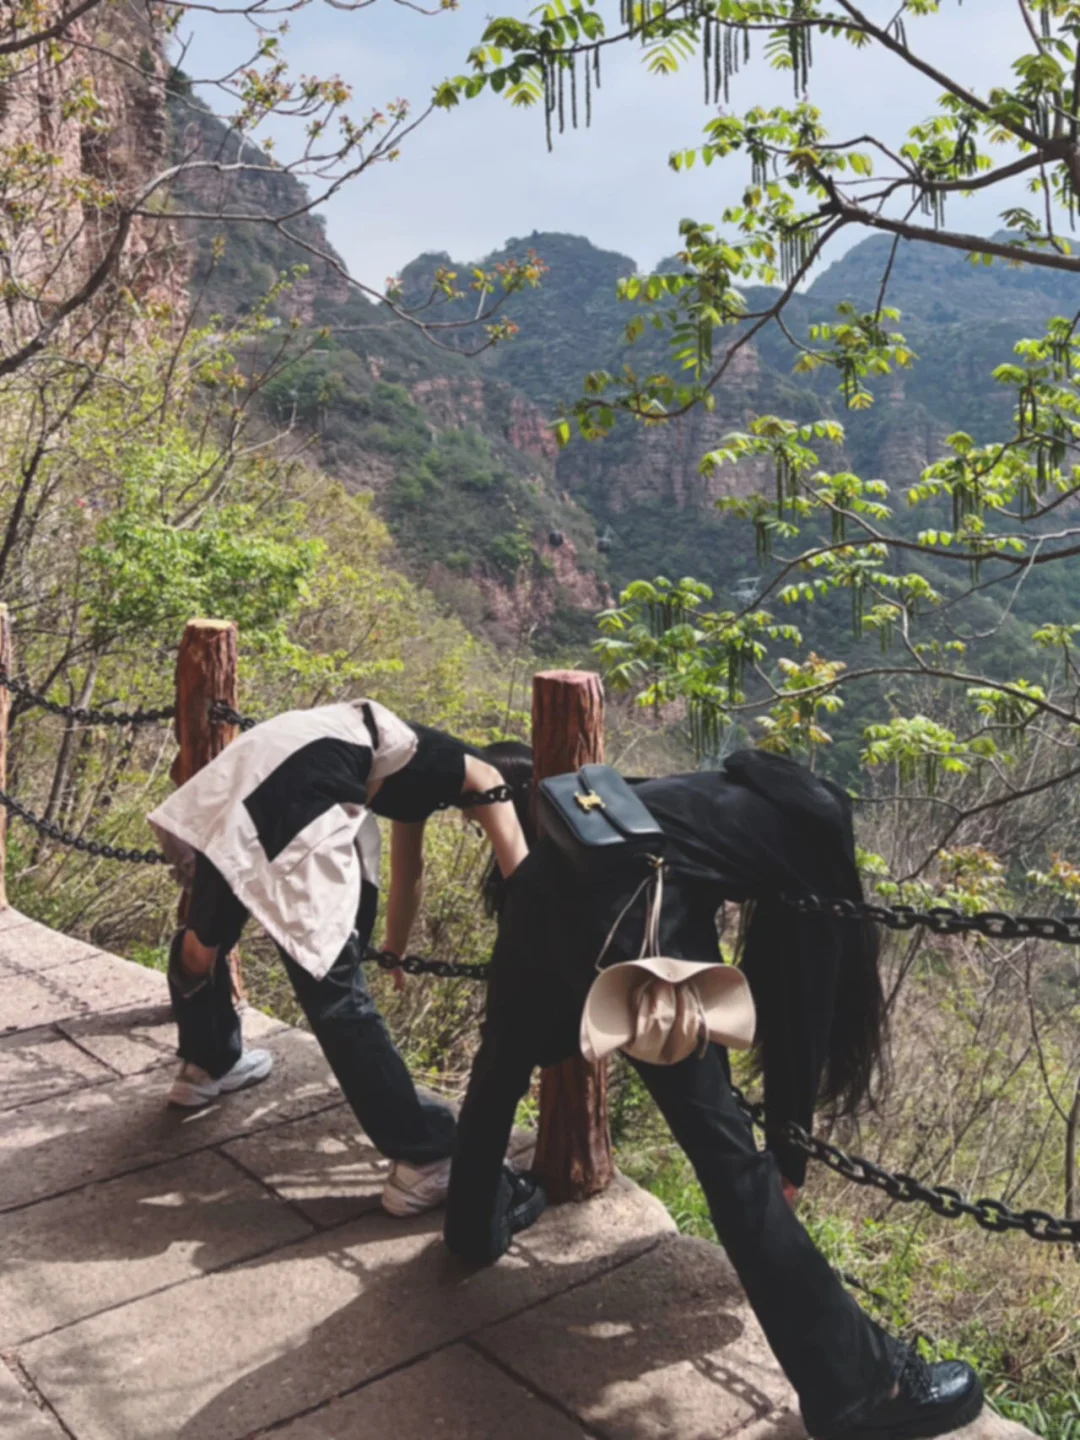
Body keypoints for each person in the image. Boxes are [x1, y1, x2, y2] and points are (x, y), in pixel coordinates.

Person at [443, 748, 984, 1440]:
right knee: (729, 1155)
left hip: (547, 880)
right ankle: (861, 1391)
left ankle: (469, 1225)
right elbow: (801, 1010)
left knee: (501, 1061)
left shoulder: (711, 791)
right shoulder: (806, 842)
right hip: (635, 920)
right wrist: (788, 1153)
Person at [148, 698, 528, 1218]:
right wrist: (532, 918)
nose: (472, 822)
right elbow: (501, 819)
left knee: (203, 940)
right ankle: (426, 1156)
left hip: (259, 762)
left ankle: (206, 1062)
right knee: (330, 980)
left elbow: (408, 867)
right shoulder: (474, 769)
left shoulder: (416, 771)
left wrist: (395, 948)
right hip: (305, 783)